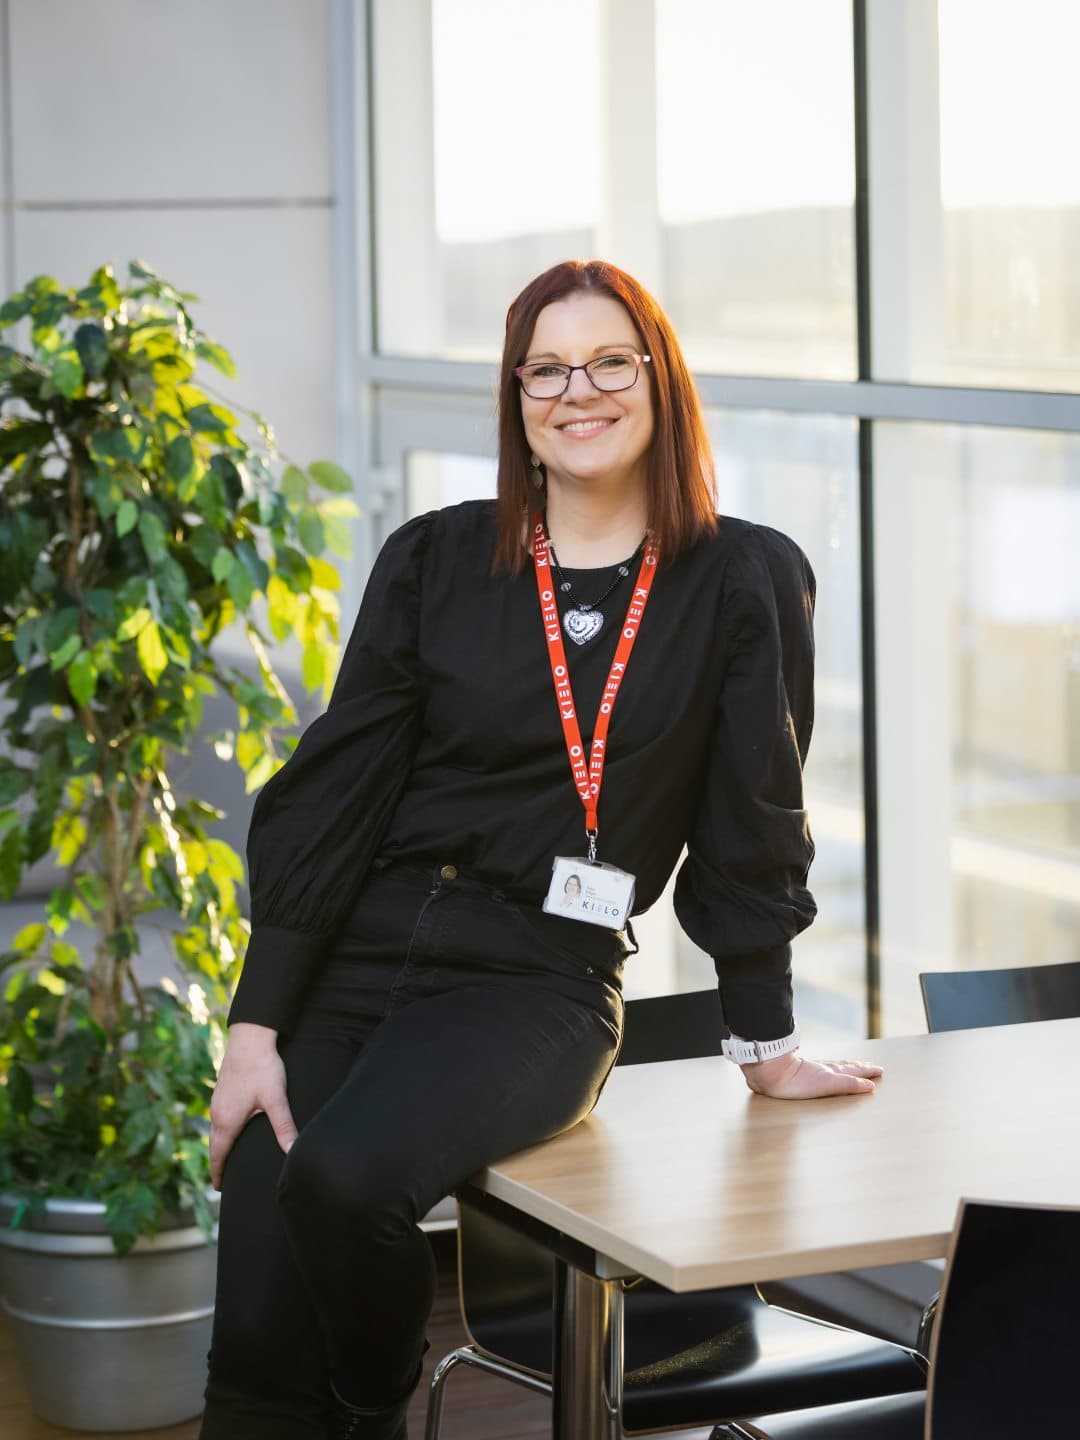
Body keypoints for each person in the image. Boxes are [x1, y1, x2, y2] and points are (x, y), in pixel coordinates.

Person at [199, 259, 883, 1440]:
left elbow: (754, 815)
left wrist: (763, 1039)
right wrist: (256, 1023)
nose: (580, 392)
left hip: (539, 977)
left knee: (344, 1180)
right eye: (546, 369)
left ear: (660, 381)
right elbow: (338, 793)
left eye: (611, 361)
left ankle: (372, 1404)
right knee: (258, 1292)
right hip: (360, 942)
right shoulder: (436, 558)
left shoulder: (741, 578)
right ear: (517, 398)